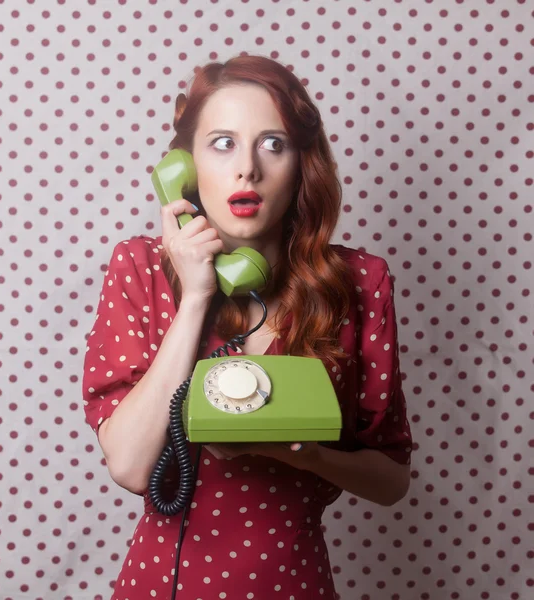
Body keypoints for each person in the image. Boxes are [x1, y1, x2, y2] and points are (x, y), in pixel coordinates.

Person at [82, 53, 412, 600]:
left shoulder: (359, 282)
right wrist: (195, 299)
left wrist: (292, 449)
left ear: (302, 163)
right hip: (165, 584)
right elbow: (132, 466)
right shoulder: (140, 268)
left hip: (294, 582)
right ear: (183, 167)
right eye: (222, 143)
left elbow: (392, 480)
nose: (248, 169)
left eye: (273, 144)